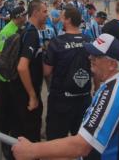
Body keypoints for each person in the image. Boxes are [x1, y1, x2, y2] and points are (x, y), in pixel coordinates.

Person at [12, 33, 119, 160]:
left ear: (112, 64)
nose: (90, 58)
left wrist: (31, 150)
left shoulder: (113, 93)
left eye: (96, 56)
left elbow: (81, 146)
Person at [43, 7, 93, 141]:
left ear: (68, 20)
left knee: (56, 142)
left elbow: (46, 71)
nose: (60, 19)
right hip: (84, 98)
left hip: (61, 101)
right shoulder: (89, 40)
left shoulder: (57, 42)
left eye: (62, 16)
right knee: (82, 141)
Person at [10, 0, 48, 142]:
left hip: (20, 90)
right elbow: (22, 66)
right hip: (26, 93)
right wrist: (32, 95)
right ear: (36, 13)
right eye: (44, 11)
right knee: (30, 133)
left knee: (21, 130)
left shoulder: (25, 29)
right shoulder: (31, 33)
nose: (47, 15)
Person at [0, 6, 27, 159]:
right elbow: (2, 57)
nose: (25, 18)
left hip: (14, 78)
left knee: (14, 112)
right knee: (4, 112)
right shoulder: (6, 32)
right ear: (18, 16)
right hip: (6, 79)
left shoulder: (21, 28)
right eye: (24, 15)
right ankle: (5, 145)